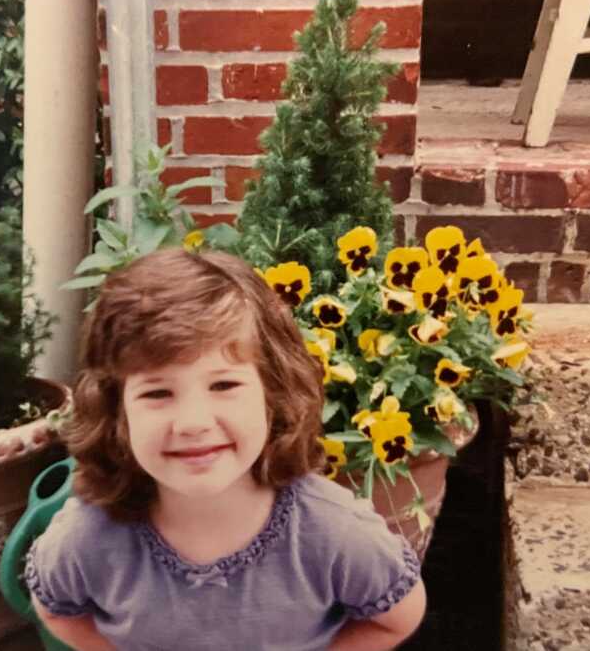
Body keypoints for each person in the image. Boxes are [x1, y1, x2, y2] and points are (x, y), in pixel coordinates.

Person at [26, 248, 426, 650]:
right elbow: (56, 609)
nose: (193, 422)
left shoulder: (333, 531)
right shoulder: (88, 534)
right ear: (117, 412)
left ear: (273, 392)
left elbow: (397, 616)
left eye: (224, 385)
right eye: (158, 392)